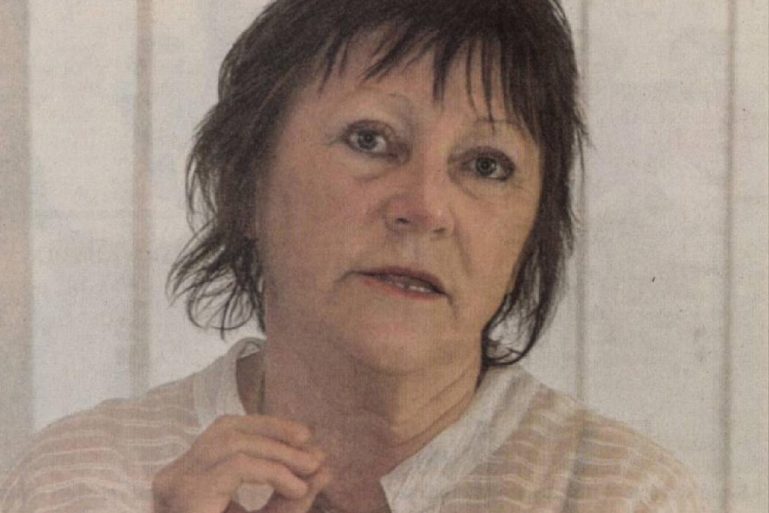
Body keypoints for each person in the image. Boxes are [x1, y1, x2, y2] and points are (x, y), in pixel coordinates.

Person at [0, 0, 709, 512]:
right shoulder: (81, 480)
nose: (425, 207)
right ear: (244, 186)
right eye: (370, 140)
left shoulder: (621, 494)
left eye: (486, 165)